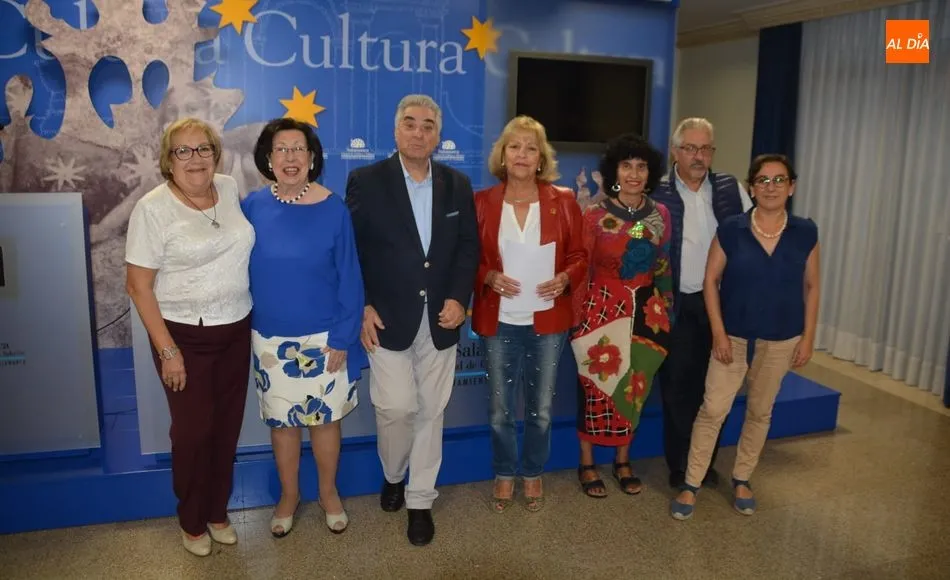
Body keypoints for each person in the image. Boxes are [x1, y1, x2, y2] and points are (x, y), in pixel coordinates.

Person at [345, 94, 479, 546]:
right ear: (396, 130)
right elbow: (352, 252)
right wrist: (362, 304)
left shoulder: (457, 184)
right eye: (410, 124)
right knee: (396, 406)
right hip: (385, 318)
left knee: (432, 410)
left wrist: (461, 298)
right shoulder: (366, 180)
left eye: (427, 126)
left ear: (438, 135)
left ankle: (420, 500)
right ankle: (393, 472)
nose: (419, 133)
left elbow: (467, 248)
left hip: (442, 317)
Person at [125, 117, 254, 556]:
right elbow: (138, 286)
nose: (195, 158)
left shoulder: (230, 188)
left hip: (237, 328)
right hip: (183, 336)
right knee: (194, 433)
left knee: (226, 427)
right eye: (183, 151)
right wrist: (168, 352)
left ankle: (218, 511)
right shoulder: (152, 208)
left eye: (203, 149)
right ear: (168, 159)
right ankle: (192, 519)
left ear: (215, 154)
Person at [670, 154, 819, 520]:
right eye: (763, 180)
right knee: (713, 409)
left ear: (792, 186)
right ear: (751, 188)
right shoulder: (732, 229)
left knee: (760, 411)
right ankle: (691, 483)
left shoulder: (805, 232)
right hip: (732, 338)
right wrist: (718, 333)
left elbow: (812, 286)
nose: (771, 187)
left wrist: (808, 337)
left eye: (779, 180)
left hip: (782, 339)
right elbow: (709, 281)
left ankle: (742, 478)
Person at [241, 118, 367, 538]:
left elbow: (350, 276)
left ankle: (329, 493)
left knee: (325, 423)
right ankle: (289, 496)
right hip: (271, 339)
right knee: (283, 424)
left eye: (299, 149)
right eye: (281, 149)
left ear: (312, 159)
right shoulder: (253, 206)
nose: (290, 157)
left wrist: (344, 336)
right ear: (268, 158)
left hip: (325, 337)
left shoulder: (334, 208)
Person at [471, 116, 587, 513]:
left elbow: (580, 256)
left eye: (531, 148)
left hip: (548, 321)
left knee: (540, 410)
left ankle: (533, 472)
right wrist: (486, 275)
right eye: (514, 146)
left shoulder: (564, 200)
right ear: (503, 155)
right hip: (499, 320)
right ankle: (505, 473)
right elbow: (466, 257)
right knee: (500, 409)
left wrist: (565, 279)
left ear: (541, 159)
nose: (522, 154)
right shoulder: (482, 202)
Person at [651, 118, 753, 489]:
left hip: (723, 307)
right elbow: (635, 234)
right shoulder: (656, 191)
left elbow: (750, 235)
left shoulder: (731, 188)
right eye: (691, 148)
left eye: (706, 148)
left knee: (718, 389)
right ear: (675, 151)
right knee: (678, 389)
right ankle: (680, 466)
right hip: (675, 304)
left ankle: (705, 462)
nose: (699, 156)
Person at [570, 134, 673, 498]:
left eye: (641, 166)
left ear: (650, 173)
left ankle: (623, 460)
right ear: (614, 171)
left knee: (635, 389)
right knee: (596, 387)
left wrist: (668, 310)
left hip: (646, 313)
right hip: (599, 311)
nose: (633, 173)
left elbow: (662, 264)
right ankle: (587, 462)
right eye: (626, 165)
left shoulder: (660, 215)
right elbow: (581, 267)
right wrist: (576, 318)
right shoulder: (595, 215)